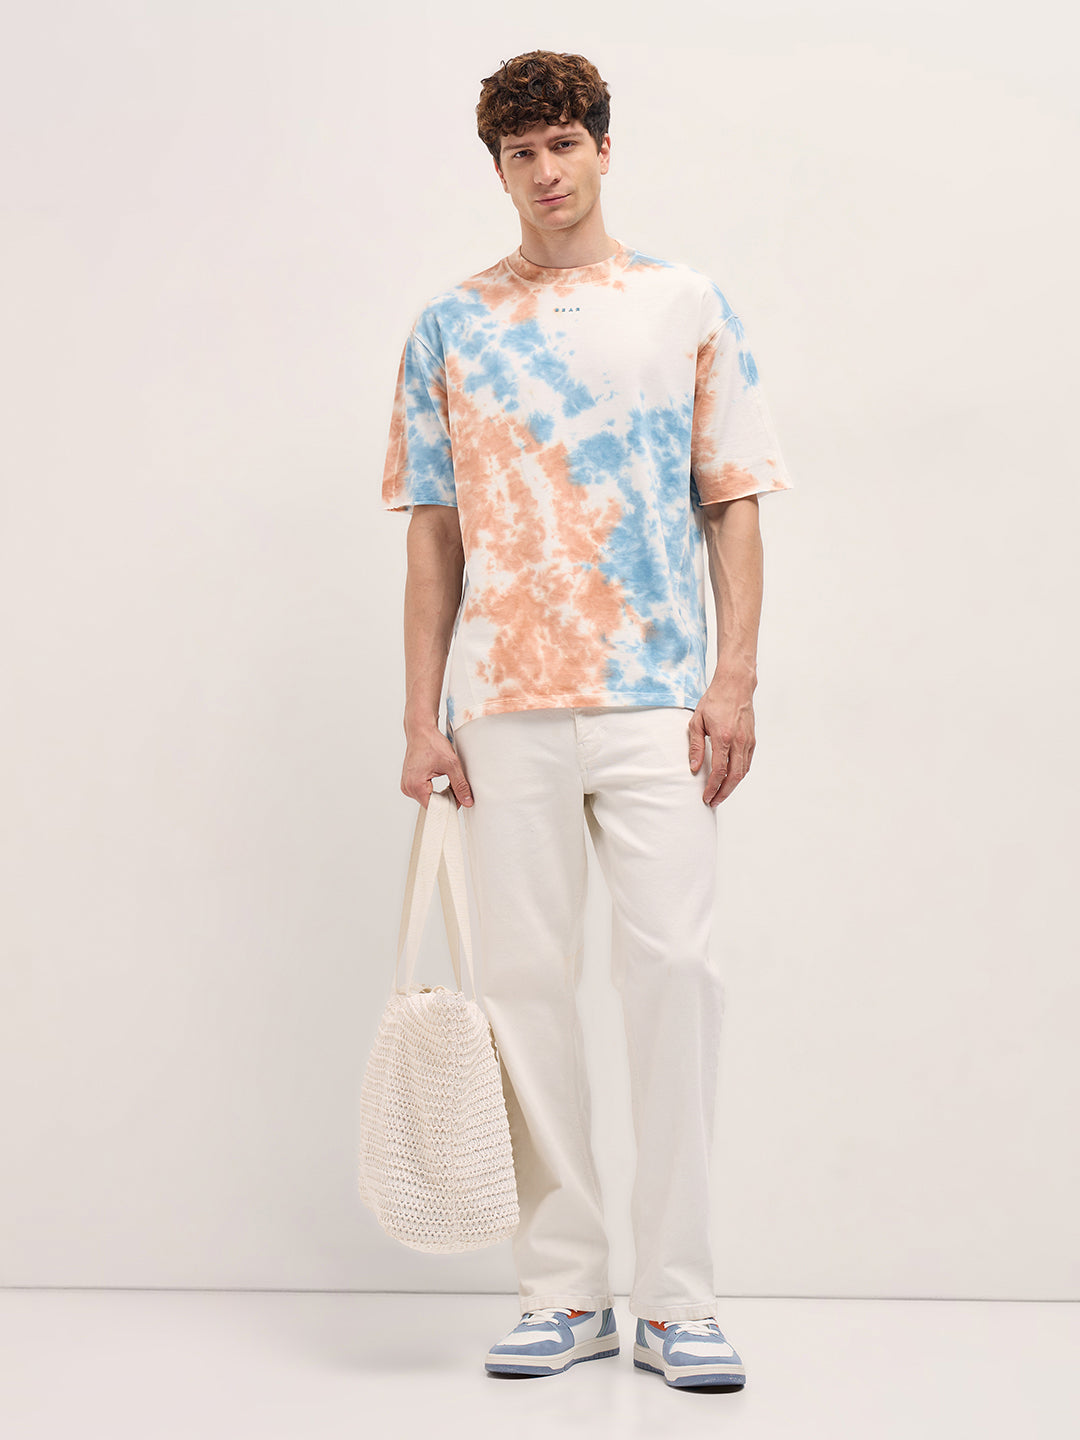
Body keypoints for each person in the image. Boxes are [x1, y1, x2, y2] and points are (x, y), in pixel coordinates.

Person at [380, 48, 794, 1390]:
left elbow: (732, 498)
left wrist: (735, 679)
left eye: (564, 144)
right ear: (497, 169)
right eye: (521, 153)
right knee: (522, 993)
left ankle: (678, 1300)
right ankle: (564, 1292)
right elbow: (433, 534)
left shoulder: (683, 303)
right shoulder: (450, 326)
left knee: (676, 977)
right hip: (502, 705)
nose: (546, 172)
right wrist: (421, 715)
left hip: (660, 698)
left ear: (604, 149)